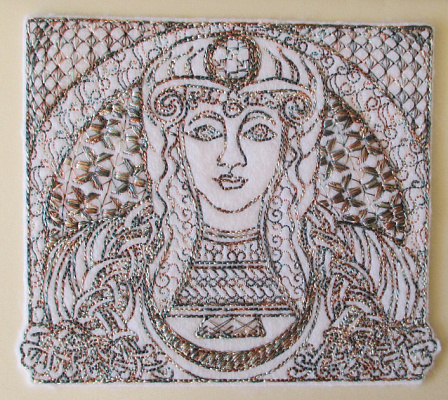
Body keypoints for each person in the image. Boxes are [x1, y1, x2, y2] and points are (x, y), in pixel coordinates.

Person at [23, 30, 437, 381]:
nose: (231, 158)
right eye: (206, 130)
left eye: (258, 131)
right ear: (173, 146)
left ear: (291, 148)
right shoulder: (88, 263)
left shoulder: (372, 265)